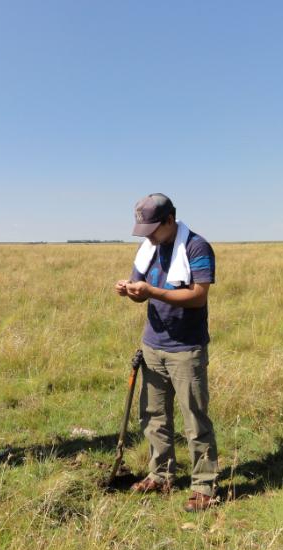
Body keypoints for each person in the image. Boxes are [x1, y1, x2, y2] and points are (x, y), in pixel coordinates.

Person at [115, 193, 219, 512]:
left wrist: (151, 292)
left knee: (194, 417)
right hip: (153, 344)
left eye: (152, 228)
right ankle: (160, 474)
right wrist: (131, 292)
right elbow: (141, 292)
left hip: (186, 348)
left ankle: (204, 486)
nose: (147, 235)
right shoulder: (148, 247)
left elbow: (198, 296)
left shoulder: (197, 247)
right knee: (153, 414)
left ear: (170, 221)